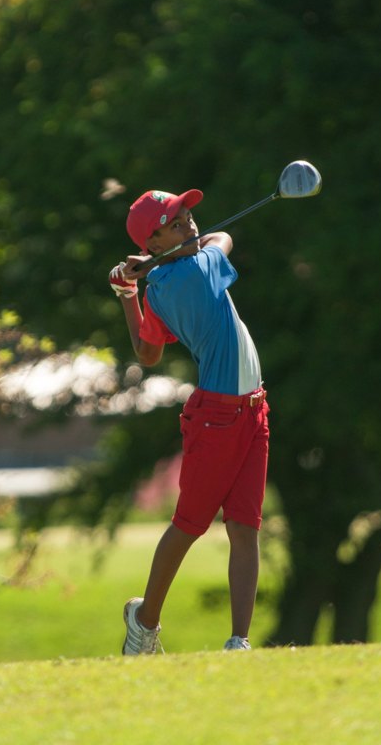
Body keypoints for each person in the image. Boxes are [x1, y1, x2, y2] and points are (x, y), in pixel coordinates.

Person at [108, 187, 270, 654]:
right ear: (153, 242)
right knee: (190, 524)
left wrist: (129, 292)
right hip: (219, 417)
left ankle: (239, 641)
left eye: (188, 218)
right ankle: (144, 623)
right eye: (175, 224)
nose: (191, 226)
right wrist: (159, 263)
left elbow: (147, 352)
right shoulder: (200, 269)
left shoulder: (159, 287)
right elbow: (224, 239)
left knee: (245, 526)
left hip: (252, 409)